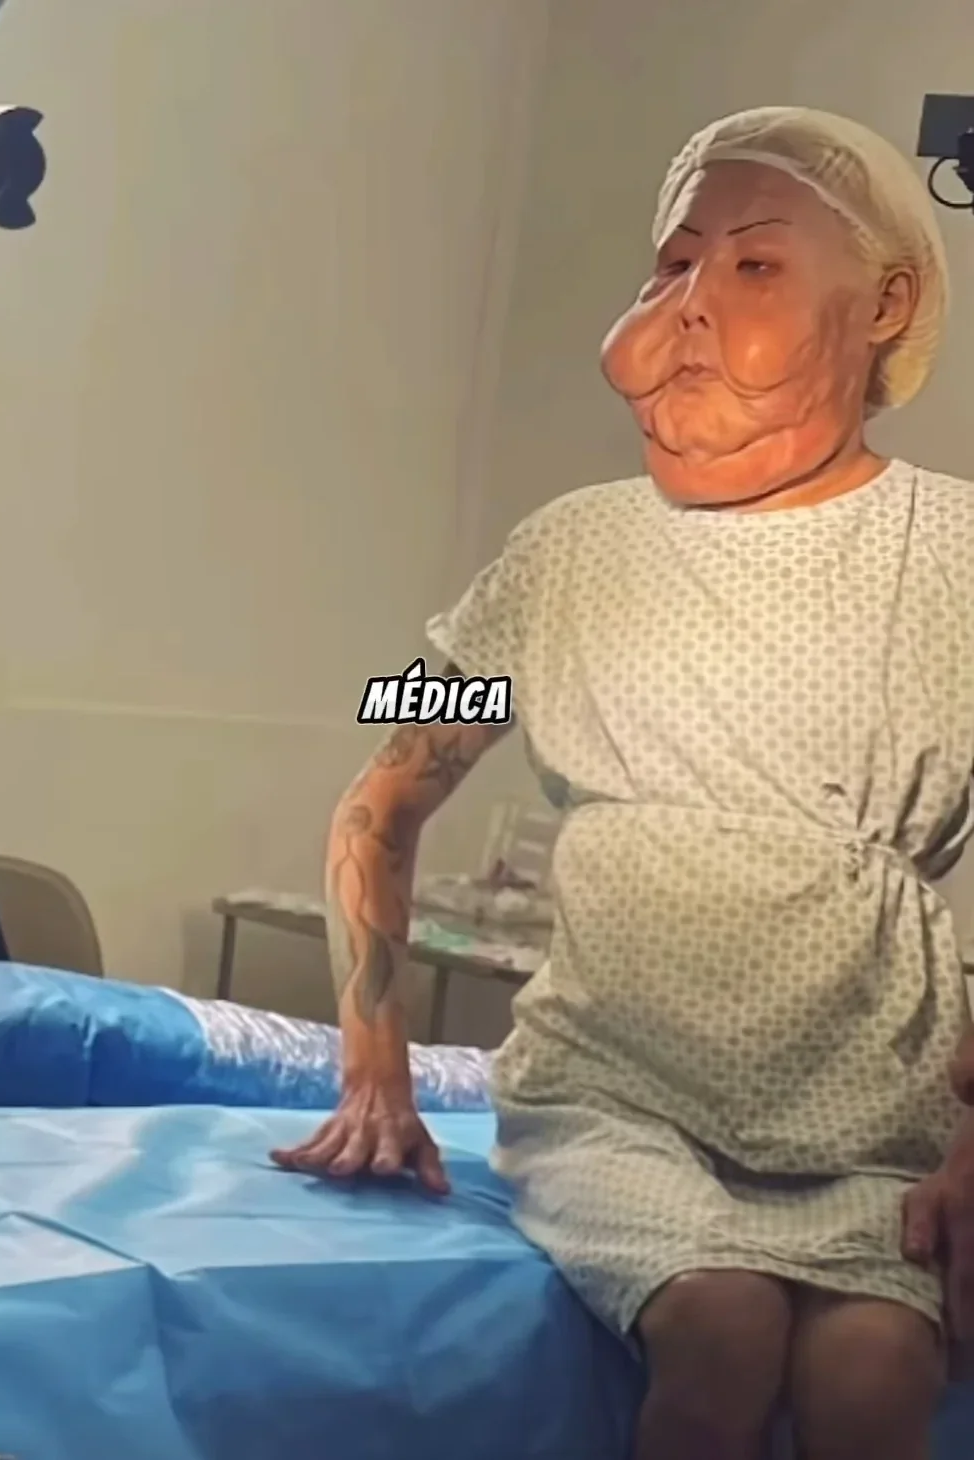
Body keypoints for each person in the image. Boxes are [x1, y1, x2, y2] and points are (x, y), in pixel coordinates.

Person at [272, 106, 974, 1460]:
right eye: (672, 263)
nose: (694, 302)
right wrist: (373, 1067)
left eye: (754, 264)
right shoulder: (563, 552)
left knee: (877, 1376)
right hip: (613, 1102)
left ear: (884, 305)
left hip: (866, 1128)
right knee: (719, 1332)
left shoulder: (958, 551)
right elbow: (382, 793)